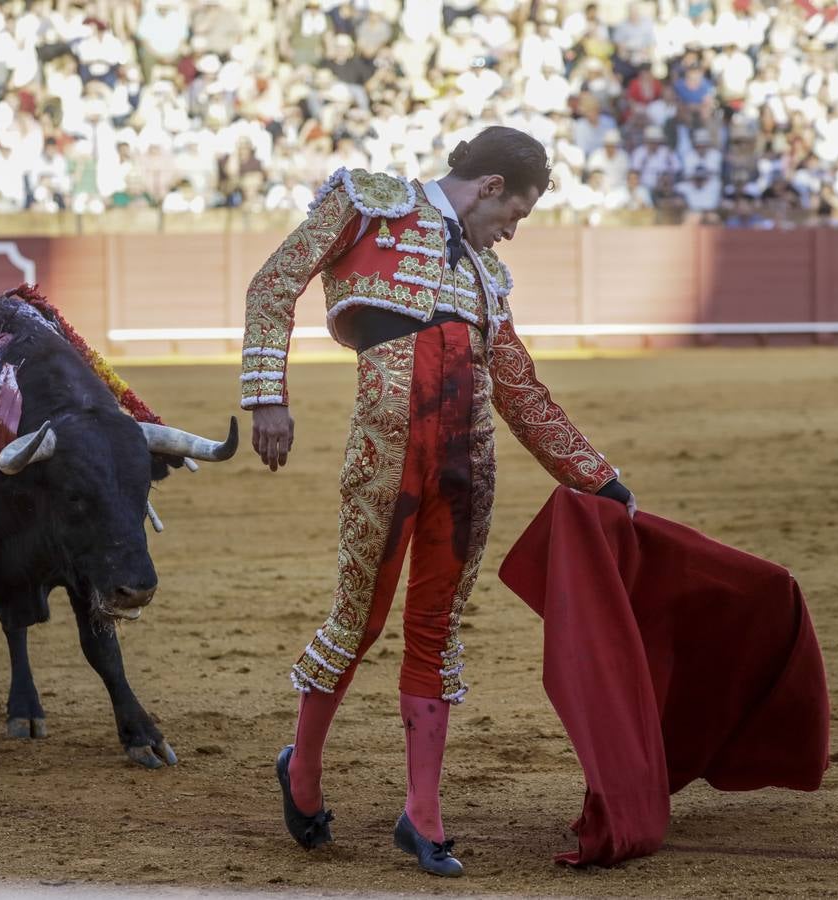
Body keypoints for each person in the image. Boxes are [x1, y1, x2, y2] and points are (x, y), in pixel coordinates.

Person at [241, 126, 635, 877]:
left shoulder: (488, 279)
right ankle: (302, 770)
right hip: (387, 451)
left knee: (435, 628)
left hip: (467, 461)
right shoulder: (368, 203)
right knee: (358, 616)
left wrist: (598, 479)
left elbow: (519, 390)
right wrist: (266, 398)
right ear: (488, 186)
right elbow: (273, 283)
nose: (509, 235)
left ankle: (422, 814)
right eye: (512, 214)